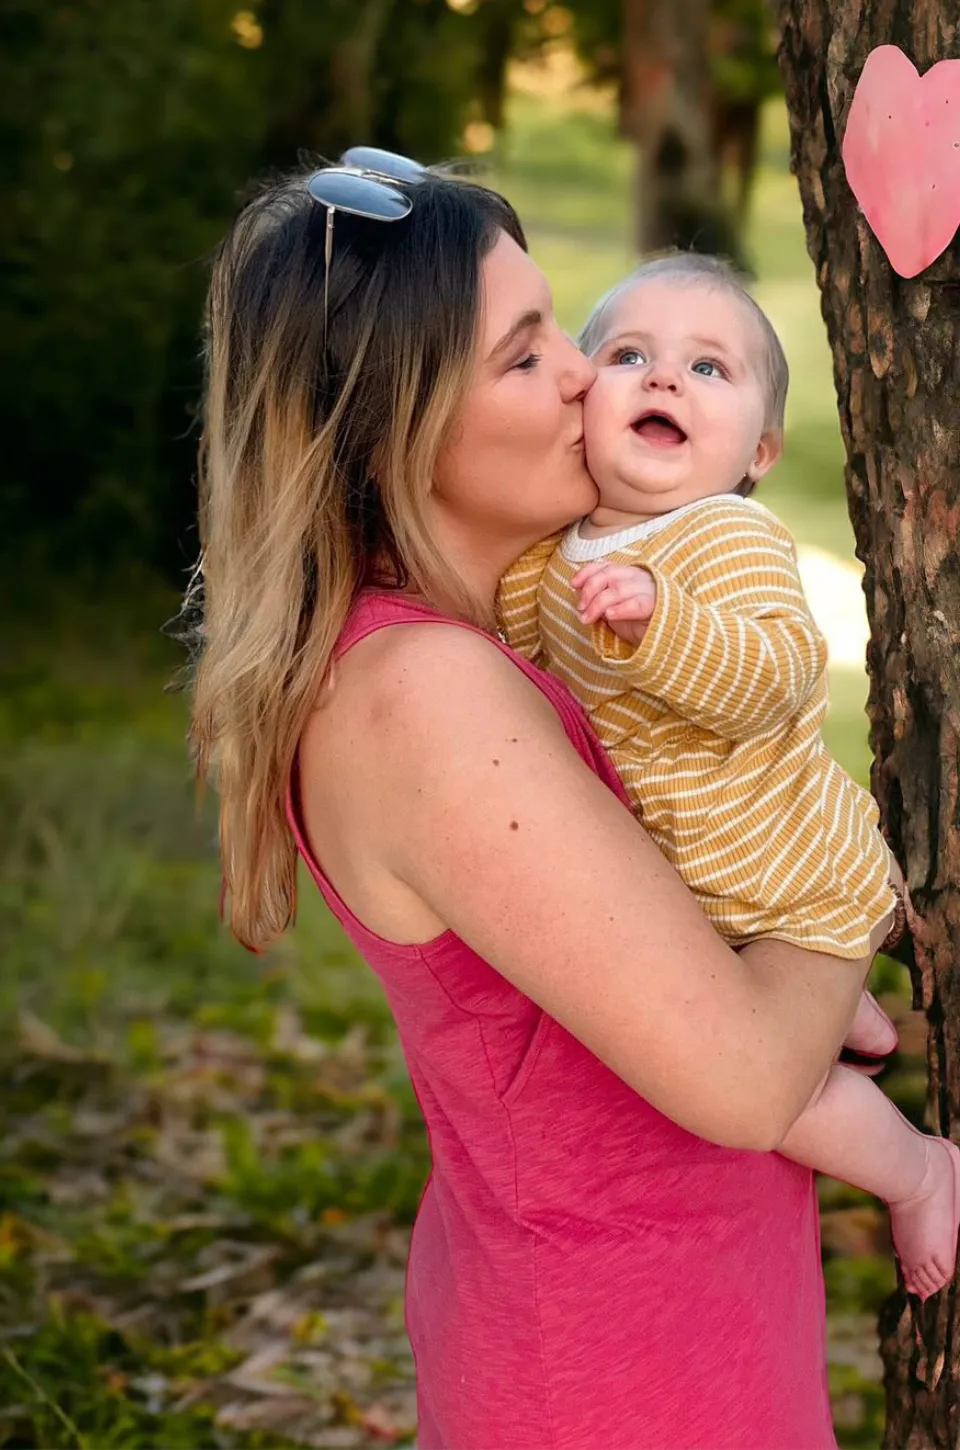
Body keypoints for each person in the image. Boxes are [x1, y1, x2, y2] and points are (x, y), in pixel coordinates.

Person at [188, 152, 895, 1449]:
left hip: (660, 1312)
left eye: (558, 329)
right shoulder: (424, 700)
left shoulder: (490, 642)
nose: (587, 374)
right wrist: (846, 881)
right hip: (621, 1373)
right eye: (526, 357)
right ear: (396, 425)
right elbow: (743, 1079)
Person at [498, 252, 960, 1305]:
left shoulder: (727, 537)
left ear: (756, 451)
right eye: (629, 355)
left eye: (709, 368)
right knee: (715, 992)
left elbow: (773, 672)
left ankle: (918, 1166)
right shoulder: (550, 558)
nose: (664, 379)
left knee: (766, 1088)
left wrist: (665, 624)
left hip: (788, 882)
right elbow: (513, 656)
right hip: (698, 891)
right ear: (585, 400)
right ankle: (852, 1016)